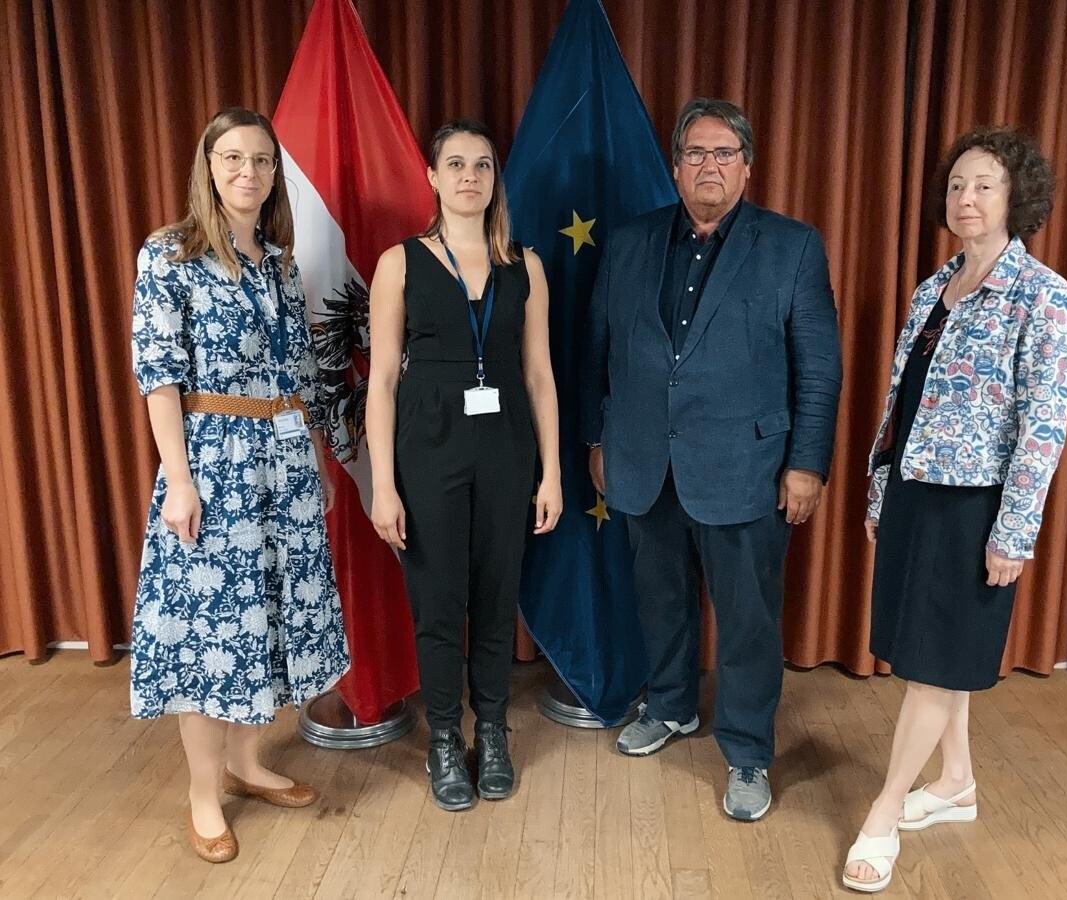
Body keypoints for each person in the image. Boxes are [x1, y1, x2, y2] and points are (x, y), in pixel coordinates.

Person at [581, 98, 843, 821]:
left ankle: (749, 751)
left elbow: (818, 368)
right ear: (674, 166)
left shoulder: (792, 246)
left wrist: (807, 464)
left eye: (723, 153)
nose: (708, 166)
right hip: (642, 463)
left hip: (748, 470)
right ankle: (669, 707)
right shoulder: (631, 242)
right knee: (659, 601)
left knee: (748, 620)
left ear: (747, 167)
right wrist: (597, 439)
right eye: (695, 154)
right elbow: (595, 351)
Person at [843, 127, 1067, 892]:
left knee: (938, 667)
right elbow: (900, 402)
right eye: (956, 186)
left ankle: (882, 813)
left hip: (976, 507)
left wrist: (1014, 531)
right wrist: (883, 489)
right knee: (932, 654)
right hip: (916, 492)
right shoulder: (931, 288)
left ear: (1017, 198)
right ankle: (956, 784)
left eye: (983, 185)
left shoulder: (1044, 297)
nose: (966, 198)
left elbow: (1044, 426)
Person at [129, 107, 350, 864]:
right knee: (209, 631)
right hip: (213, 462)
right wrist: (180, 481)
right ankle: (202, 792)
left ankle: (249, 763)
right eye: (231, 158)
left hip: (284, 463)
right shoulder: (168, 256)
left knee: (270, 619)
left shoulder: (279, 262)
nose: (247, 172)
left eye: (260, 160)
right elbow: (159, 376)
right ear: (208, 166)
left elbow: (299, 374)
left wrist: (318, 458)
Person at [366, 120, 562, 812]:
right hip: (428, 452)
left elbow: (540, 376)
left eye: (482, 165)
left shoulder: (525, 265)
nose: (469, 177)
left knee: (495, 596)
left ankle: (493, 734)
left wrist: (553, 474)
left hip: (507, 454)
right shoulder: (401, 263)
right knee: (439, 603)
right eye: (456, 164)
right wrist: (382, 483)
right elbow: (383, 379)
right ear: (433, 176)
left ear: (494, 178)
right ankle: (446, 739)